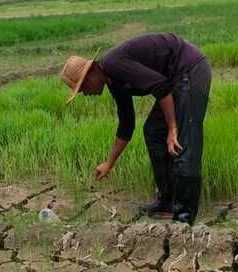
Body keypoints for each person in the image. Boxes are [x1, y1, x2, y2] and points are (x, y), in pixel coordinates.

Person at [61, 32, 211, 225]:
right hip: (174, 79)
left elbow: (161, 87)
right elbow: (127, 123)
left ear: (91, 74)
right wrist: (109, 163)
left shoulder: (114, 64)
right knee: (154, 132)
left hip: (189, 69)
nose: (85, 94)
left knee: (184, 139)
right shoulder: (113, 80)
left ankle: (184, 216)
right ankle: (167, 200)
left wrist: (173, 128)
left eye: (82, 88)